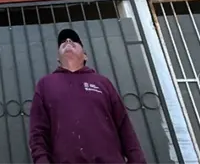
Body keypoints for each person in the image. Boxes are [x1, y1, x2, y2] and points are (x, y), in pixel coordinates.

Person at [29, 28, 147, 164]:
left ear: (85, 56)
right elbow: (38, 132)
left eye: (74, 41)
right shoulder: (45, 85)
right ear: (58, 58)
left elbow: (124, 127)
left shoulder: (103, 83)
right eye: (63, 42)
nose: (68, 41)